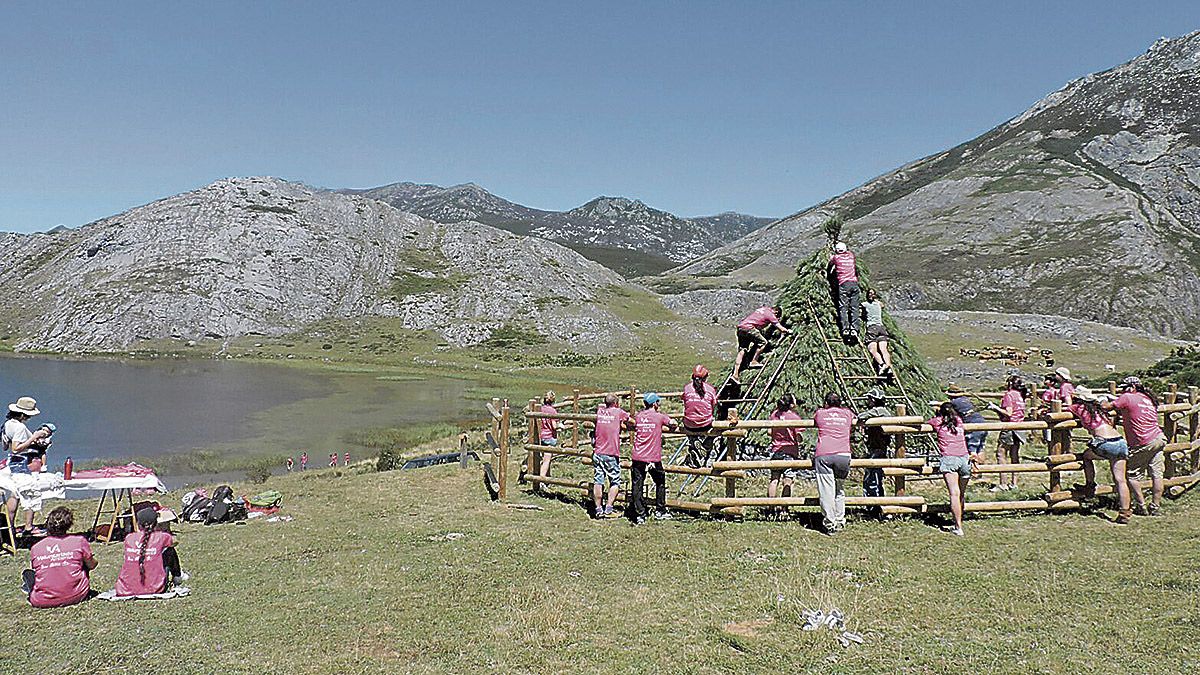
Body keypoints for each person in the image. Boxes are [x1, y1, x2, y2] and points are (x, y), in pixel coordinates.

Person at [1102, 376, 1166, 516]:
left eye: (1124, 388)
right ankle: (1155, 506)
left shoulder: (1128, 397)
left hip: (1142, 441)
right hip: (1158, 437)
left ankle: (1141, 505)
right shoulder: (1148, 399)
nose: (1122, 392)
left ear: (1131, 387)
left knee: (1132, 475)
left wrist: (1102, 400)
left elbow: (1106, 407)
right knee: (1157, 474)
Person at [1069, 387, 1132, 524]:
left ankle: (1090, 485)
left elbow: (1067, 407)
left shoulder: (1078, 407)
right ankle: (1125, 512)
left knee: (1086, 456)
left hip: (1105, 442)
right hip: (1120, 441)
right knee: (1121, 480)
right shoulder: (1100, 411)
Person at [24, 506, 96, 608]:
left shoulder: (36, 548)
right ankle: (72, 587)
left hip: (41, 600)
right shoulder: (79, 541)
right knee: (82, 561)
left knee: (29, 574)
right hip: (78, 595)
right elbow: (92, 565)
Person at [3, 396, 52, 536]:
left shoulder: (8, 424)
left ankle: (10, 528)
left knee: (14, 494)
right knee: (30, 492)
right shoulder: (20, 427)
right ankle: (29, 527)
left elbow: (5, 446)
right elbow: (15, 448)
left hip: (12, 462)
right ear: (24, 414)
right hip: (23, 463)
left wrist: (33, 441)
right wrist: (33, 437)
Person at [929, 401, 978, 536]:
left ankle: (958, 526)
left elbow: (928, 422)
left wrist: (937, 413)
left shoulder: (937, 422)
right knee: (961, 494)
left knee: (954, 494)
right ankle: (959, 519)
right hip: (964, 458)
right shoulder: (958, 421)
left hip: (949, 459)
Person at [629, 393, 676, 524]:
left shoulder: (639, 416)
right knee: (660, 482)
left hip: (638, 456)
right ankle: (660, 510)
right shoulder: (659, 417)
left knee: (637, 485)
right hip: (653, 458)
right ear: (655, 404)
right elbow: (673, 423)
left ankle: (640, 514)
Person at [116, 507, 185, 596]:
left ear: (138, 524)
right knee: (169, 550)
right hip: (155, 588)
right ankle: (177, 576)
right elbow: (175, 542)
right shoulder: (162, 537)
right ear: (156, 523)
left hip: (125, 589)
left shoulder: (129, 538)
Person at [813, 393, 855, 534]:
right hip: (843, 455)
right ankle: (840, 520)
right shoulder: (847, 413)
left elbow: (815, 420)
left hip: (824, 455)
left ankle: (830, 523)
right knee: (839, 488)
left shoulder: (820, 413)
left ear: (826, 403)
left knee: (826, 490)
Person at [592, 394, 632, 519]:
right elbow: (630, 420)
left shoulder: (600, 412)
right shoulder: (618, 412)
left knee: (598, 480)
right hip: (611, 453)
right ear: (616, 403)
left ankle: (598, 509)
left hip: (598, 452)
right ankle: (609, 509)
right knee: (615, 481)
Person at [987, 375, 1027, 492]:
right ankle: (1014, 483)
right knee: (1014, 455)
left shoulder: (1009, 395)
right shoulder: (1020, 395)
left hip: (1009, 427)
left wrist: (995, 408)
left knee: (1001, 454)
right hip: (1019, 427)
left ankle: (1003, 484)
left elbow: (1009, 413)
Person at [733, 305, 791, 381]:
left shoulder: (763, 309)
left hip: (741, 328)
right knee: (763, 343)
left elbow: (757, 320)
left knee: (742, 350)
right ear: (776, 312)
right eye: (777, 316)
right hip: (749, 328)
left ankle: (735, 374)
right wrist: (788, 331)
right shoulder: (771, 315)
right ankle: (754, 361)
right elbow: (781, 328)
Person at [767, 394, 803, 516]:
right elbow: (798, 436)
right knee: (788, 480)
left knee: (774, 480)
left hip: (776, 450)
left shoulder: (774, 415)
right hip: (790, 451)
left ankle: (770, 508)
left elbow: (769, 432)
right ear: (791, 404)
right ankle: (784, 509)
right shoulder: (794, 417)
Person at [855, 389, 892, 506]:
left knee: (873, 478)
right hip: (876, 447)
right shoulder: (879, 411)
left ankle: (875, 505)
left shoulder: (879, 411)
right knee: (873, 477)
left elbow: (861, 415)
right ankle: (874, 504)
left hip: (878, 448)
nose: (868, 401)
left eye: (870, 399)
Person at [682, 365, 719, 467]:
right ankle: (707, 447)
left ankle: (693, 443)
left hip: (689, 424)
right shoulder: (710, 389)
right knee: (716, 432)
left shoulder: (687, 388)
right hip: (705, 424)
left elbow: (685, 403)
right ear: (705, 377)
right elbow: (713, 406)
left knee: (689, 422)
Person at [828, 242, 861, 342]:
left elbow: (829, 265)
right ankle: (855, 329)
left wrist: (829, 274)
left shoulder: (836, 258)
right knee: (854, 307)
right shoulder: (851, 256)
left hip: (843, 284)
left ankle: (846, 329)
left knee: (843, 307)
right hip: (854, 284)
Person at [947, 386, 988, 459]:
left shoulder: (954, 402)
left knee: (972, 447)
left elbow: (949, 410)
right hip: (982, 422)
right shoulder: (966, 400)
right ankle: (982, 467)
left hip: (972, 424)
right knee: (980, 447)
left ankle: (973, 467)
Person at [860, 289, 894, 377]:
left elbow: (858, 310)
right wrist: (876, 300)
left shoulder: (865, 304)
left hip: (872, 329)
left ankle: (882, 364)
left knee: (872, 350)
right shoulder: (879, 304)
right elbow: (883, 305)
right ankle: (888, 366)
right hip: (882, 329)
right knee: (884, 349)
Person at [536, 391, 559, 485]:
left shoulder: (540, 409)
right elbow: (554, 426)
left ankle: (546, 478)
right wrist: (560, 426)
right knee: (547, 460)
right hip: (550, 436)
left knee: (544, 458)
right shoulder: (552, 411)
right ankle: (542, 481)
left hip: (541, 435)